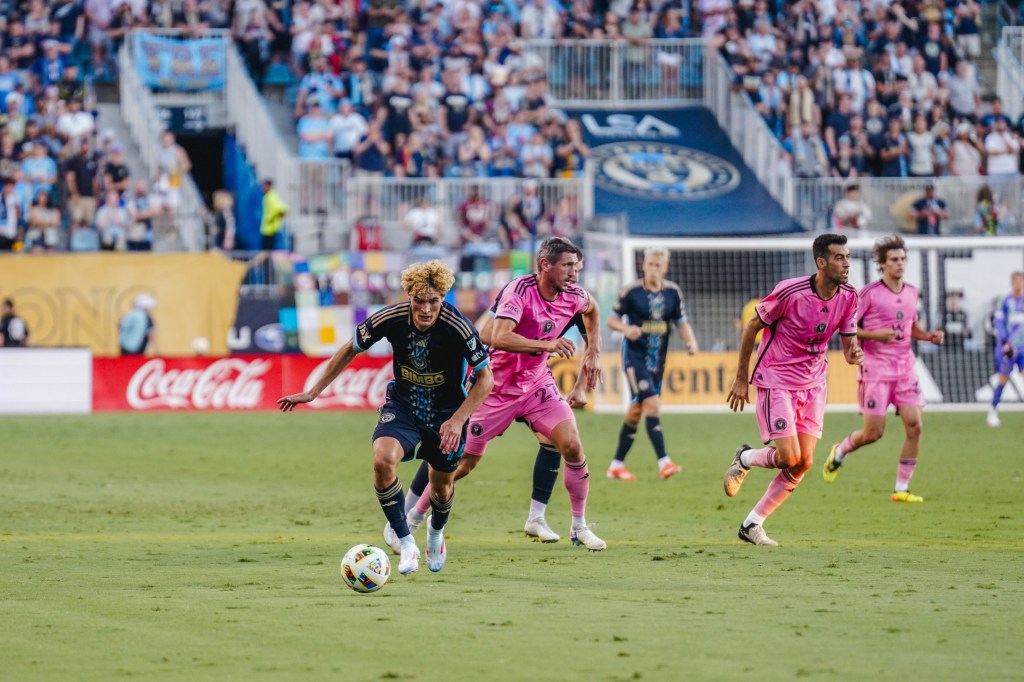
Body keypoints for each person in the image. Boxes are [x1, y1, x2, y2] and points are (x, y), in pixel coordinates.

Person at [278, 261, 493, 575]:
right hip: (404, 407)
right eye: (419, 300)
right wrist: (313, 392)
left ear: (443, 298)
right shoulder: (390, 317)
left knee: (442, 488)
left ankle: (435, 534)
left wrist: (459, 420)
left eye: (434, 301)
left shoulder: (458, 326)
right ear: (409, 295)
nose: (426, 309)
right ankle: (406, 542)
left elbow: (486, 379)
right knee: (382, 461)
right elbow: (350, 348)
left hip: (447, 416)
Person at [408, 237, 606, 550]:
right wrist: (547, 345)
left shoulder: (575, 295)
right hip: (494, 388)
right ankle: (414, 518)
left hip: (536, 384)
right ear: (545, 265)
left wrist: (593, 351)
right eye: (568, 266)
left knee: (571, 445)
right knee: (462, 463)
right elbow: (496, 336)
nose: (574, 273)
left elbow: (592, 311)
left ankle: (578, 526)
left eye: (577, 267)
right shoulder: (520, 290)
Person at [723, 234, 863, 546]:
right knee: (789, 456)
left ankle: (752, 523)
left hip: (814, 384)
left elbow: (848, 345)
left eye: (848, 257)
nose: (847, 263)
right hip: (777, 379)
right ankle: (745, 458)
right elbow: (752, 327)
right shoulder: (790, 292)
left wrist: (854, 353)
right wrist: (742, 377)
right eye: (839, 257)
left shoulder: (850, 296)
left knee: (804, 462)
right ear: (821, 263)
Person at [822, 234, 945, 502]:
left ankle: (901, 488)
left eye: (902, 259)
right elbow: (847, 326)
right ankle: (840, 451)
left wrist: (928, 337)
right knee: (873, 433)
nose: (900, 263)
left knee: (915, 426)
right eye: (894, 259)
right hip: (876, 370)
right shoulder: (869, 293)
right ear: (882, 264)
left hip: (905, 369)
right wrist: (876, 335)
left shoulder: (912, 292)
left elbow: (910, 327)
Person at [605, 247, 698, 481]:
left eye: (658, 265)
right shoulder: (631, 292)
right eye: (650, 265)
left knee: (636, 411)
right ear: (643, 266)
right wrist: (626, 328)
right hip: (634, 359)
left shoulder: (673, 293)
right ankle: (664, 462)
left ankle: (616, 466)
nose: (653, 269)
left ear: (665, 268)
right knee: (653, 405)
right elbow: (611, 320)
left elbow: (681, 322)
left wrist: (690, 341)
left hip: (657, 362)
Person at [987, 271, 1024, 428]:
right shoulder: (1005, 301)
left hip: (1022, 349)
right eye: (1016, 281)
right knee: (1003, 379)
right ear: (1012, 283)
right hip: (1007, 348)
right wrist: (1005, 342)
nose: (1019, 284)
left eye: (1021, 281)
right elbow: (999, 323)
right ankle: (992, 411)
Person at [259, 178, 288, 251]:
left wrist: (272, 220)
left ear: (269, 186)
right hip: (267, 230)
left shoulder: (271, 197)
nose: (262, 188)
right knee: (267, 252)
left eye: (264, 186)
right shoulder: (267, 196)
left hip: (270, 230)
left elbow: (283, 210)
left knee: (267, 252)